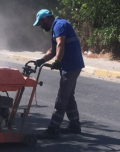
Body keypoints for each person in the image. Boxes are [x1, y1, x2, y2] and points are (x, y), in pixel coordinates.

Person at [33, 9, 85, 139]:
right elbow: (53, 49)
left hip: (71, 66)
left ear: (44, 19)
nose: (40, 27)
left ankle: (53, 129)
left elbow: (61, 43)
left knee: (62, 97)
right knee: (68, 96)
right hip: (70, 65)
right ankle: (74, 126)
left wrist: (57, 61)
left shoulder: (59, 25)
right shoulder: (57, 26)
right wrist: (42, 60)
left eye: (40, 23)